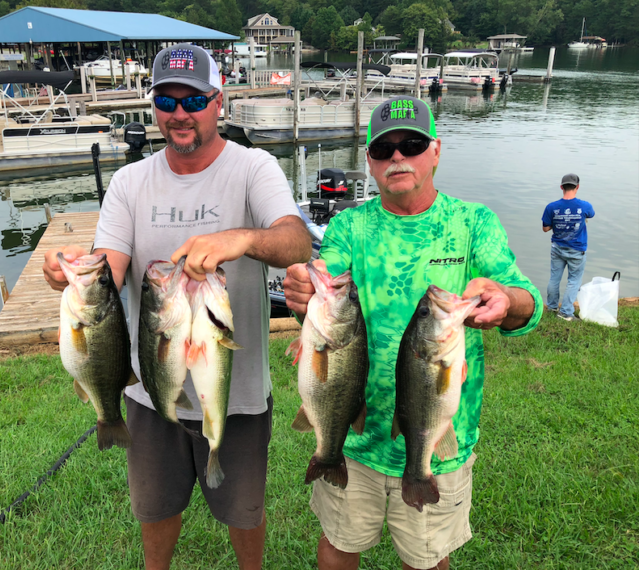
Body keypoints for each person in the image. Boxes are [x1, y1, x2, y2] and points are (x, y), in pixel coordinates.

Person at [42, 44, 312, 570]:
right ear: (154, 108)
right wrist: (72, 273)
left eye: (193, 100)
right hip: (150, 385)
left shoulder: (254, 168)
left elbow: (296, 241)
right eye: (166, 101)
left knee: (244, 511)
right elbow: (109, 265)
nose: (179, 113)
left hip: (236, 390)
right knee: (155, 507)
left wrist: (240, 238)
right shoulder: (130, 182)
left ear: (219, 102)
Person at [283, 96, 543, 570]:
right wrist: (305, 285)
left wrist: (507, 299)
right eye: (384, 149)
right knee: (338, 545)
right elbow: (326, 279)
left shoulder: (473, 223)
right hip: (353, 435)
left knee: (427, 559)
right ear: (370, 160)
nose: (398, 157)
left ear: (436, 150)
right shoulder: (349, 225)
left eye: (412, 145)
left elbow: (527, 301)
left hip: (437, 437)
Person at [542, 174, 595, 321]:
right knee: (574, 280)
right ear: (577, 187)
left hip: (557, 248)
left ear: (561, 187)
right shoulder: (585, 206)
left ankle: (552, 307)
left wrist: (559, 222)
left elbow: (545, 228)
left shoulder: (551, 207)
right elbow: (590, 215)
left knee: (554, 278)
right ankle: (565, 312)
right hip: (577, 250)